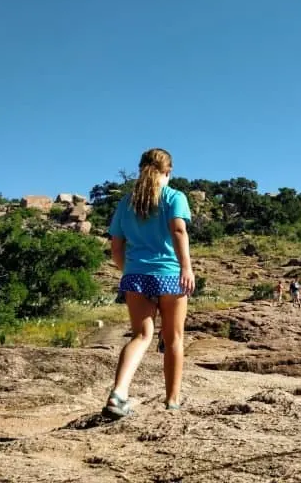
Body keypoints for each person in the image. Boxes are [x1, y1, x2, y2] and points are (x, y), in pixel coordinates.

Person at [103, 148, 195, 418]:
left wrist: (128, 271)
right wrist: (186, 268)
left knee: (141, 336)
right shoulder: (174, 197)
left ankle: (118, 393)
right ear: (168, 171)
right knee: (174, 338)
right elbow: (178, 230)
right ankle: (172, 402)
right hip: (169, 274)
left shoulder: (126, 203)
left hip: (135, 275)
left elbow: (116, 245)